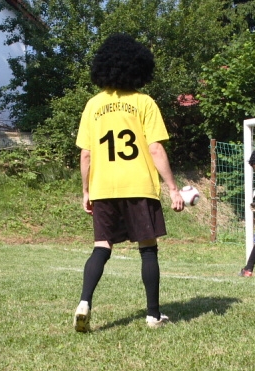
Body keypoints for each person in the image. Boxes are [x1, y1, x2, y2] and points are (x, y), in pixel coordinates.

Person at [73, 33, 184, 332]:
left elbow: (86, 154)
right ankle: (153, 316)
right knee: (148, 249)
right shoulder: (144, 102)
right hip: (139, 185)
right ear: (138, 66)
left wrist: (86, 190)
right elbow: (155, 148)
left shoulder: (93, 105)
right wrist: (173, 188)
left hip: (103, 187)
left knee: (101, 247)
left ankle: (84, 302)